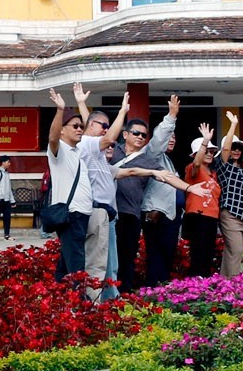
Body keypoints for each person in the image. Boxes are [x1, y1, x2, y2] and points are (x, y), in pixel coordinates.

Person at [112, 94, 181, 286]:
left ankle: (124, 295)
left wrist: (171, 117)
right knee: (108, 257)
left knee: (127, 258)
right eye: (136, 133)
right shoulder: (111, 152)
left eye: (144, 135)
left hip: (131, 215)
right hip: (109, 213)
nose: (141, 137)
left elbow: (159, 140)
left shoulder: (148, 156)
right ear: (125, 134)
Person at [76, 84, 126, 301]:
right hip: (96, 211)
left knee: (107, 262)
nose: (106, 129)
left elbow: (95, 128)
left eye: (108, 124)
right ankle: (97, 304)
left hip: (106, 213)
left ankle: (107, 299)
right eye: (103, 125)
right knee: (98, 263)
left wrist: (81, 104)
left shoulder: (93, 147)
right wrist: (123, 111)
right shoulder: (87, 143)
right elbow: (102, 135)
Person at [44, 88, 91, 280]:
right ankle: (79, 303)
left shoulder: (78, 150)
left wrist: (81, 104)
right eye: (75, 126)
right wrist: (60, 110)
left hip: (82, 213)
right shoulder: (59, 150)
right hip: (71, 214)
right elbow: (53, 138)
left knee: (67, 261)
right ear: (63, 129)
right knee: (76, 262)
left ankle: (59, 297)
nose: (80, 129)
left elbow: (92, 130)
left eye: (81, 126)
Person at [214, 113, 243, 277]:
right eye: (233, 148)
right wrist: (233, 125)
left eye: (238, 148)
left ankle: (225, 282)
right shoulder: (224, 167)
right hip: (230, 214)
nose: (236, 151)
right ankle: (233, 284)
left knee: (231, 252)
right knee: (236, 250)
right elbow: (225, 150)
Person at [178, 129, 223, 277]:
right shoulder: (193, 169)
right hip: (198, 216)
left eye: (212, 151)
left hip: (211, 217)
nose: (209, 153)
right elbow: (197, 163)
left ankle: (204, 287)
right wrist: (205, 141)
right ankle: (195, 285)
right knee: (198, 254)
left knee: (208, 255)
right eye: (206, 151)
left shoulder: (213, 173)